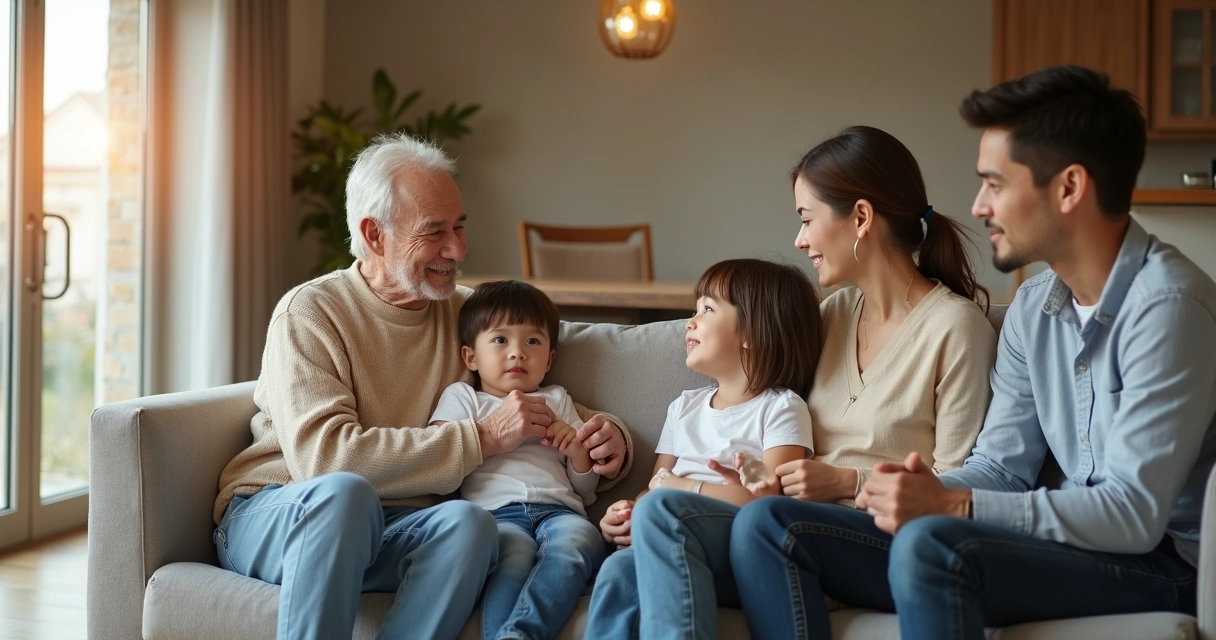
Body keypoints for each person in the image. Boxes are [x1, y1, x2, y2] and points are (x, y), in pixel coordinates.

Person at [732, 65, 1216, 640]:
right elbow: (1001, 470)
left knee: (931, 542)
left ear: (1069, 188)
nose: (979, 204)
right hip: (1056, 548)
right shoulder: (1033, 311)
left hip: (1159, 564)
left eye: (996, 183)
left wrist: (955, 508)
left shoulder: (1169, 307)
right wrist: (910, 493)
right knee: (769, 525)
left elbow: (1134, 517)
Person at [210, 133, 631, 640]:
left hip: (396, 526)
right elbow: (325, 462)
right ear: (374, 234)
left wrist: (611, 438)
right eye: (434, 232)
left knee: (471, 526)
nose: (457, 249)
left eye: (459, 227)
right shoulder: (311, 312)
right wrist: (481, 438)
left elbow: (532, 405)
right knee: (346, 495)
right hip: (283, 512)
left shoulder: (465, 311)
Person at [590, 125, 998, 639]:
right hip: (783, 529)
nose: (799, 239)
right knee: (625, 569)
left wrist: (849, 482)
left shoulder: (956, 328)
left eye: (807, 219)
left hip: (883, 540)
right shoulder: (832, 315)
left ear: (861, 218)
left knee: (682, 510)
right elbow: (761, 408)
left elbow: (959, 490)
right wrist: (755, 478)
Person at [585, 258, 822, 638]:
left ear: (752, 332)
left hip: (735, 550)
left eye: (707, 309)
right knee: (616, 569)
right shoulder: (684, 406)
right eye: (694, 310)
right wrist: (626, 514)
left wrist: (677, 490)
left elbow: (771, 503)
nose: (690, 322)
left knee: (663, 508)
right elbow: (653, 488)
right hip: (669, 536)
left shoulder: (781, 408)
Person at [428, 280, 605, 640]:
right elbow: (439, 457)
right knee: (513, 559)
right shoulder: (464, 398)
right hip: (495, 515)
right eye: (500, 340)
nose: (517, 353)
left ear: (550, 359)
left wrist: (575, 451)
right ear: (470, 357)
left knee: (578, 543)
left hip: (561, 512)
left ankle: (519, 634)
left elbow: (586, 490)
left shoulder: (557, 399)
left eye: (533, 341)